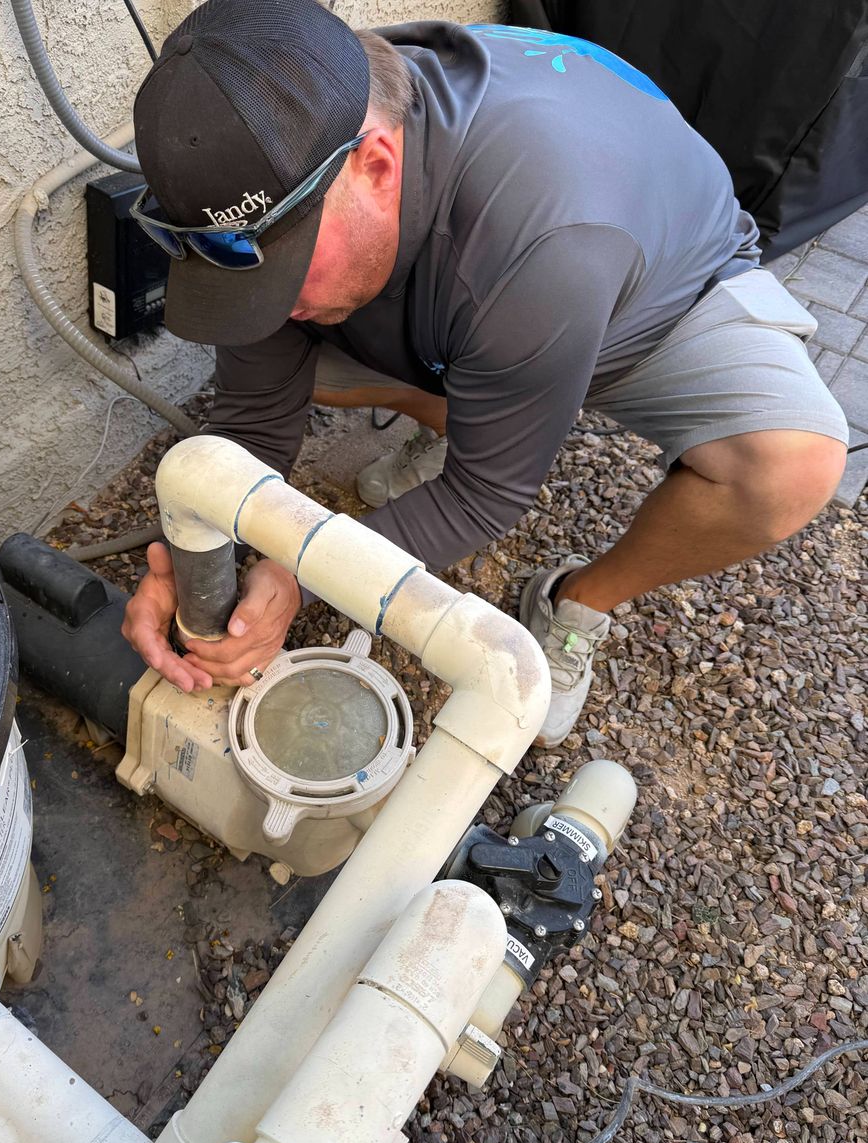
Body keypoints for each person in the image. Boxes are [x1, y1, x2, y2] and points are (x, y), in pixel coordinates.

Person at [122, 0, 848, 747]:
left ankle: (576, 602)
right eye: (244, 269)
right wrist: (197, 560)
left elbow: (484, 496)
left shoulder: (546, 250)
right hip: (482, 304)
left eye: (286, 267)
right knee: (352, 323)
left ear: (376, 164)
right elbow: (250, 423)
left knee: (789, 467)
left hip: (645, 301)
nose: (274, 302)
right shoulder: (296, 154)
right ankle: (474, 401)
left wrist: (298, 572)